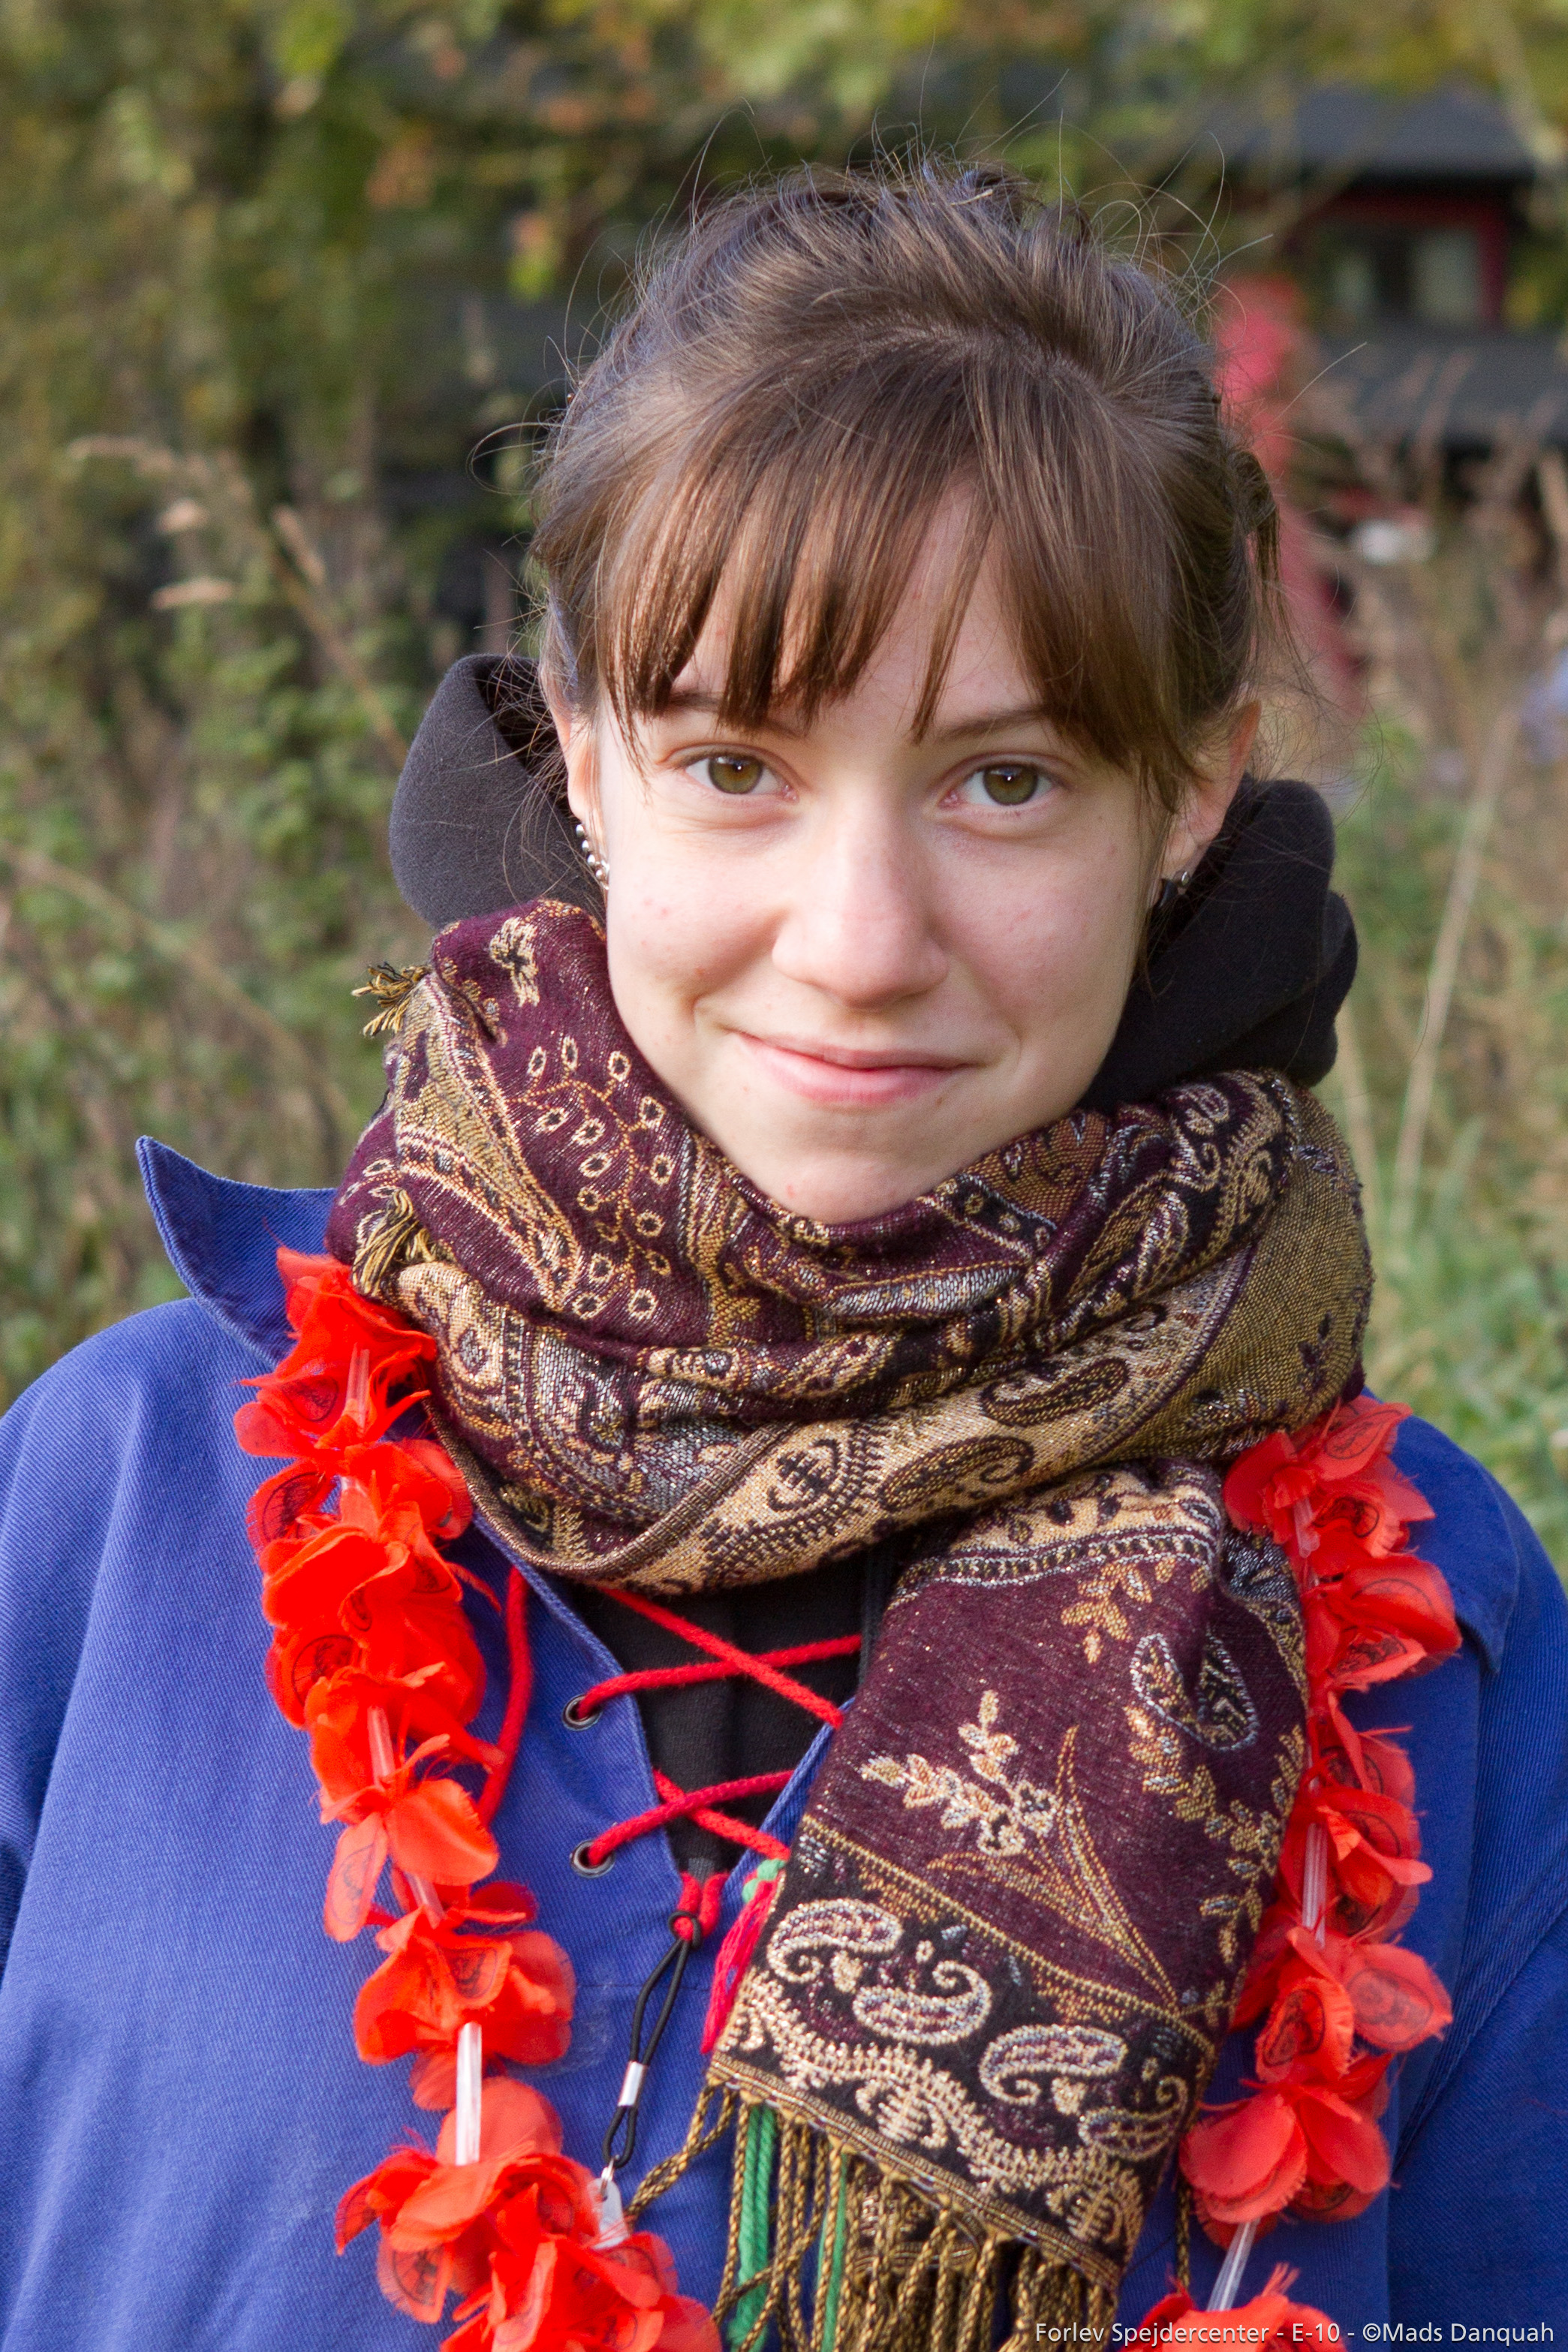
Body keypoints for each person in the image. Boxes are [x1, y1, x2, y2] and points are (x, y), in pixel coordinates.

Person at [0, 164, 1564, 2352]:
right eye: (736, 761)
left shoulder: (1428, 1633)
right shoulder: (133, 1499)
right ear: (582, 751)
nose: (857, 942)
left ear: (1191, 797)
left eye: (1004, 783)